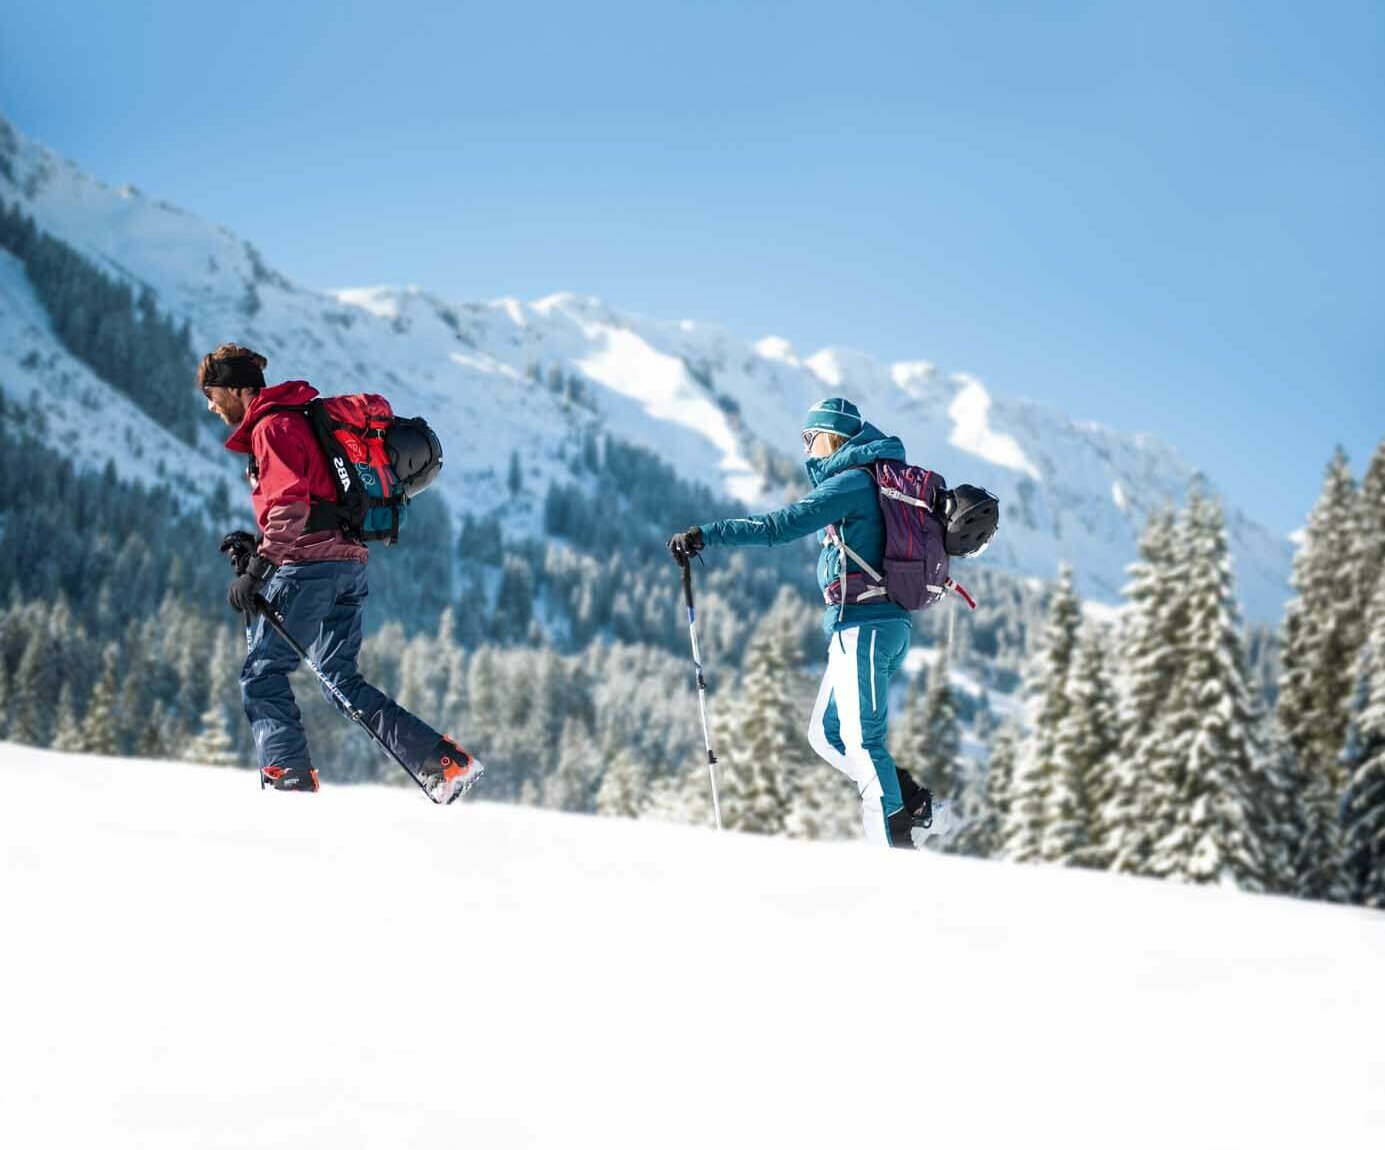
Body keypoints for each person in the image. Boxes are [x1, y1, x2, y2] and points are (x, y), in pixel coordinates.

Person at [201, 343, 482, 801]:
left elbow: (289, 506)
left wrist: (257, 571)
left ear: (237, 388)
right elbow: (311, 502)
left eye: (212, 393)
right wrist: (260, 549)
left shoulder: (273, 427)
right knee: (340, 681)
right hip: (347, 564)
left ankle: (286, 781)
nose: (211, 405)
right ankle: (443, 764)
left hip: (309, 568)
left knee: (263, 673)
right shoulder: (296, 420)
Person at [667, 397, 949, 848]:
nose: (806, 448)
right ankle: (906, 796)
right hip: (870, 625)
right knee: (827, 734)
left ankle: (894, 847)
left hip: (865, 624)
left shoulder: (853, 483)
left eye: (810, 437)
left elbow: (780, 525)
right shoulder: (874, 480)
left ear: (834, 437)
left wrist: (708, 533)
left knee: (862, 742)